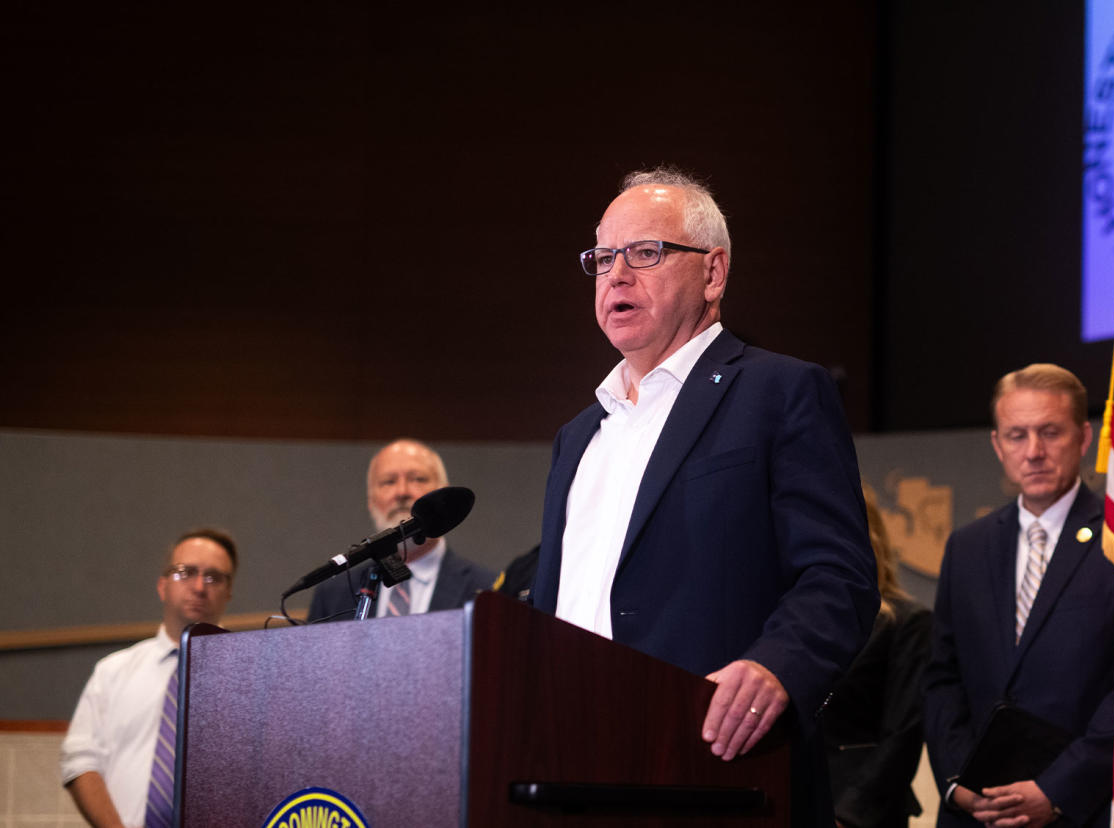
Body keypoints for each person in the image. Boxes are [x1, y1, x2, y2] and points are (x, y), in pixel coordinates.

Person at [531, 167, 878, 823]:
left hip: (712, 768)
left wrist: (777, 667)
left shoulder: (776, 393)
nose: (616, 276)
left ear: (713, 274)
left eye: (646, 253)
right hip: (571, 773)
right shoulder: (578, 437)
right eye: (603, 258)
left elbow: (841, 574)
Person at [923, 364, 1114, 828]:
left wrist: (1058, 790)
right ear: (997, 444)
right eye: (1016, 435)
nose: (1034, 452)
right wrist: (959, 785)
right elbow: (942, 679)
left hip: (1078, 810)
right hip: (975, 812)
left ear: (1084, 437)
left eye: (1050, 432)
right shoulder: (966, 546)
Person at [61, 528, 238, 828]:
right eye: (187, 572)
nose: (199, 586)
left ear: (228, 592)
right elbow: (79, 761)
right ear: (162, 586)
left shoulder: (250, 679)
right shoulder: (112, 672)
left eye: (213, 577)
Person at [822, 487, 932, 828]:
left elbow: (904, 733)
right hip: (790, 799)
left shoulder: (906, 622)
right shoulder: (785, 626)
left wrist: (848, 815)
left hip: (862, 813)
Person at [308, 438, 494, 621]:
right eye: (389, 482)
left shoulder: (487, 590)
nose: (402, 492)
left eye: (417, 479)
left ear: (442, 496)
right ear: (371, 501)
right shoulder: (332, 594)